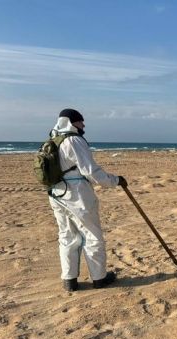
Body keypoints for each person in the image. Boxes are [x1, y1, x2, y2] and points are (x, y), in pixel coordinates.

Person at [48, 109, 126, 292]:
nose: (83, 125)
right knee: (92, 236)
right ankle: (99, 278)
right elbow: (91, 172)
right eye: (80, 122)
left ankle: (69, 280)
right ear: (71, 122)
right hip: (77, 194)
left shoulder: (53, 140)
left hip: (56, 193)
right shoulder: (73, 140)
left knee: (67, 237)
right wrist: (115, 180)